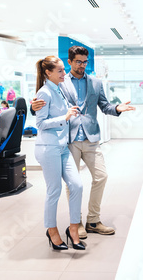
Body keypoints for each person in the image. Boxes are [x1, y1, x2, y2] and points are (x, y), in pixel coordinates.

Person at [32, 45, 136, 239]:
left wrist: (117, 108)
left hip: (90, 138)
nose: (82, 65)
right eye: (78, 62)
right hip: (68, 140)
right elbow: (43, 103)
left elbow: (105, 106)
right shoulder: (60, 81)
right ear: (70, 61)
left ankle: (93, 220)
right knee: (73, 184)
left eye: (85, 62)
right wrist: (33, 106)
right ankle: (76, 222)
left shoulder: (96, 83)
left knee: (101, 176)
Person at [34, 55, 85, 251]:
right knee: (53, 191)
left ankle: (73, 229)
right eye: (60, 71)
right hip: (49, 148)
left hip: (62, 147)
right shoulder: (44, 92)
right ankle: (52, 230)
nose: (65, 73)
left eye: (64, 70)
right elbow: (41, 124)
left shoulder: (58, 89)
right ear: (48, 72)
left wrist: (68, 111)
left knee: (77, 185)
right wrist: (64, 117)